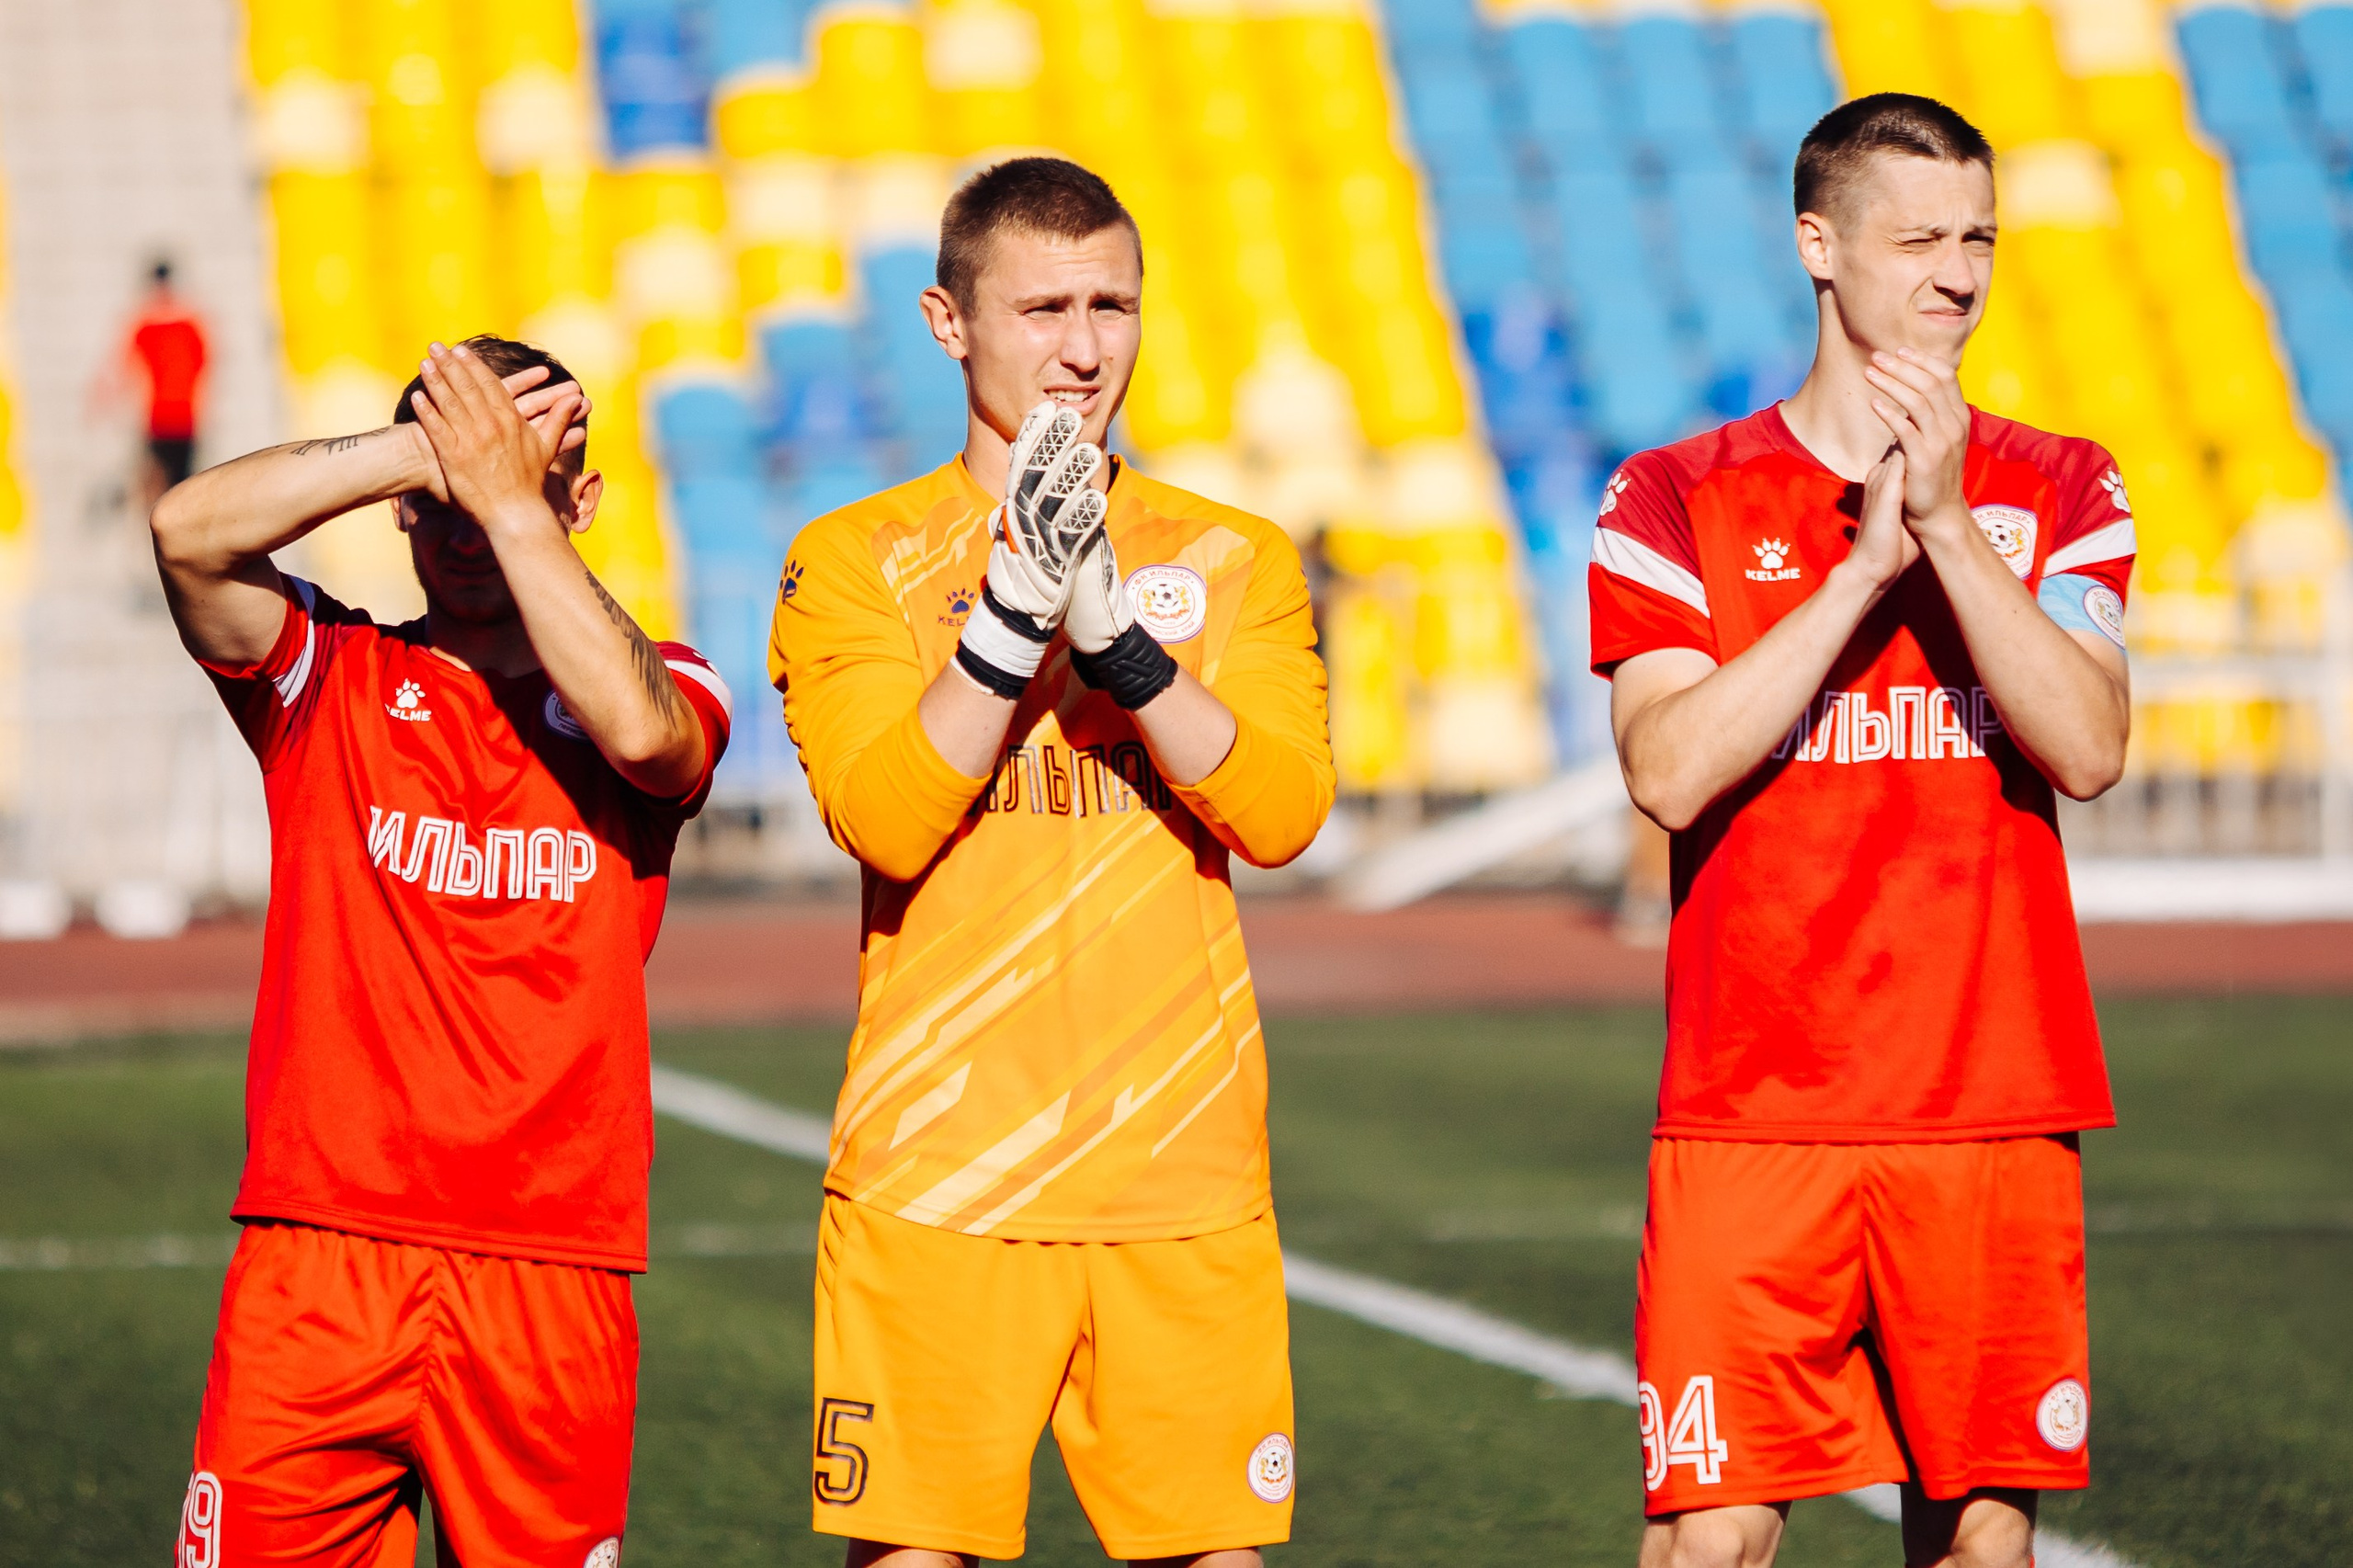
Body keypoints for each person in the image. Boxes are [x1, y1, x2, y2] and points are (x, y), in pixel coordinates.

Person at [1587, 95, 2134, 1568]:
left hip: (1990, 1107)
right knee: (1716, 1537)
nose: (1956, 273)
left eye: (1980, 238)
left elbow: (2088, 746)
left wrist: (1950, 532)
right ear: (1817, 244)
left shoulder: (2062, 483)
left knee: (1981, 1544)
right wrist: (1852, 579)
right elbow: (1669, 769)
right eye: (1919, 238)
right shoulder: (1673, 494)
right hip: (1750, 1108)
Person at [768, 157, 1334, 1566]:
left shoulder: (1232, 555)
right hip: (940, 1171)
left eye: (1114, 304)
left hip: (1182, 1176)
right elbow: (886, 813)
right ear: (949, 323)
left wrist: (1122, 647)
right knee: (912, 1554)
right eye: (1041, 308)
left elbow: (1282, 811)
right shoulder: (854, 558)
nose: (1085, 349)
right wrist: (1012, 616)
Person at [150, 335, 732, 1566]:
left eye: (518, 487)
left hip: (551, 1263)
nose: (472, 524)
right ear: (404, 509)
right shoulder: (332, 674)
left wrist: (506, 495)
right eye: (444, 504)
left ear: (579, 500)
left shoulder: (667, 678)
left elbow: (649, 734)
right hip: (318, 1254)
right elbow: (188, 531)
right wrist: (438, 448)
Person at [124, 258, 209, 497]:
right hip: (158, 419)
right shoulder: (148, 327)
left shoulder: (188, 326)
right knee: (165, 487)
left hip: (184, 418)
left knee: (181, 484)